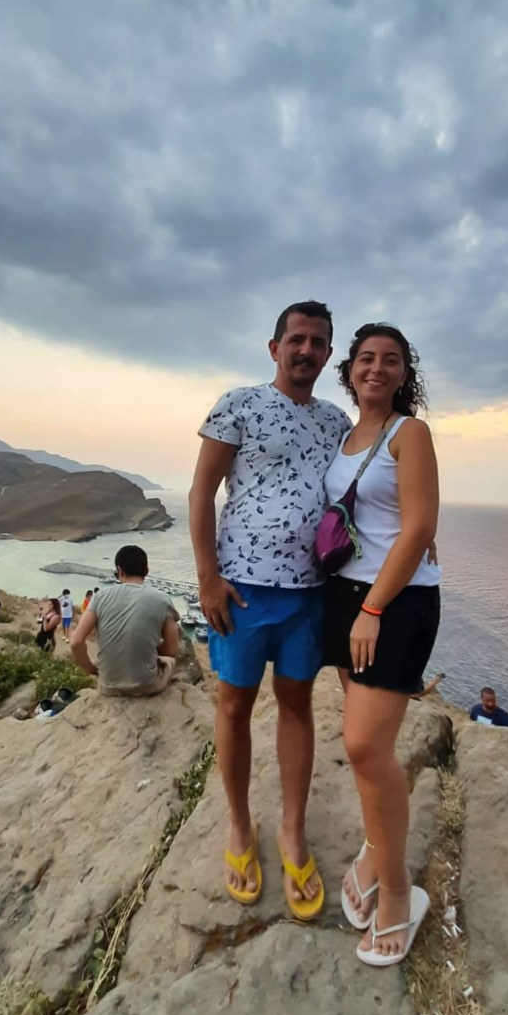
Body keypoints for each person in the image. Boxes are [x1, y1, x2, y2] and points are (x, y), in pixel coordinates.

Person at [189, 299, 351, 919]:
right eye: (297, 339)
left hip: (309, 593)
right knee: (234, 705)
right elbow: (201, 492)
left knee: (296, 705)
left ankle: (292, 830)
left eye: (318, 342)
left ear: (328, 354)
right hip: (242, 590)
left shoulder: (336, 422)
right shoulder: (239, 404)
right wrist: (207, 578)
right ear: (275, 346)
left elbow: (362, 493)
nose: (306, 350)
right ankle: (238, 825)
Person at [324, 322, 441, 967]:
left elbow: (419, 526)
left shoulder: (409, 433)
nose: (376, 367)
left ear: (403, 373)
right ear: (350, 370)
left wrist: (372, 609)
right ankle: (375, 848)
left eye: (390, 360)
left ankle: (398, 892)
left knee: (364, 746)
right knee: (369, 751)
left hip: (393, 603)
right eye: (366, 358)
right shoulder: (344, 438)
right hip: (345, 597)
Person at [70, 546, 179, 696]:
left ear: (120, 571)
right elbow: (172, 650)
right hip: (146, 686)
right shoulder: (162, 599)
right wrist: (148, 650)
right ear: (147, 571)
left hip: (108, 685)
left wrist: (91, 669)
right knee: (168, 661)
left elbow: (76, 642)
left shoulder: (99, 597)